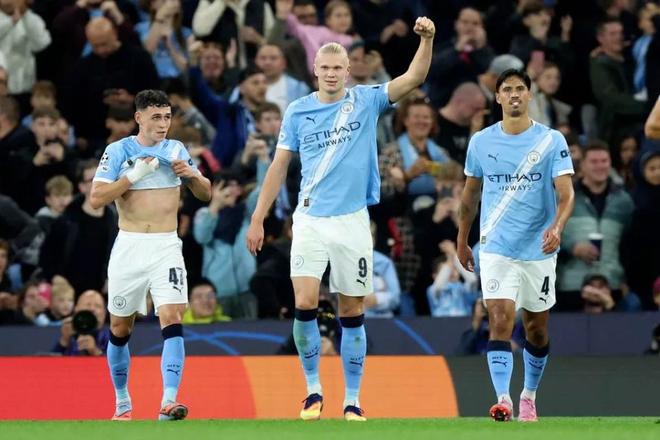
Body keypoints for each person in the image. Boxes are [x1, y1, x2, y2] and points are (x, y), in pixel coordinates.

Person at [246, 16, 436, 422]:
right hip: (310, 218)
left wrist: (427, 39)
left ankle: (352, 399)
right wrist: (258, 217)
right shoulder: (297, 111)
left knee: (351, 310)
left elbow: (414, 77)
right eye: (325, 67)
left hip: (352, 220)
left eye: (338, 67)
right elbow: (278, 166)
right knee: (305, 301)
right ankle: (312, 391)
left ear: (348, 72)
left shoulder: (366, 100)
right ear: (315, 70)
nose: (331, 73)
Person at [457, 69, 575, 422]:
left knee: (536, 328)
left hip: (539, 247)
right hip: (496, 245)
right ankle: (503, 400)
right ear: (497, 97)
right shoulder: (481, 142)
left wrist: (557, 227)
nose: (513, 94)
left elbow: (566, 194)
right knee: (499, 318)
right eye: (506, 89)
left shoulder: (551, 140)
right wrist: (462, 239)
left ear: (529, 94)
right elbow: (470, 195)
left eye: (520, 88)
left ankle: (529, 396)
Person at [89, 89, 211, 421]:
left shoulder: (177, 149)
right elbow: (97, 198)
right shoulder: (118, 151)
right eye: (156, 117)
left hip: (165, 246)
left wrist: (193, 176)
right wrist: (132, 177)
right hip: (129, 246)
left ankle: (169, 401)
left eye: (167, 117)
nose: (163, 124)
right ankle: (122, 402)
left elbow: (206, 193)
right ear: (138, 118)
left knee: (172, 315)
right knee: (119, 327)